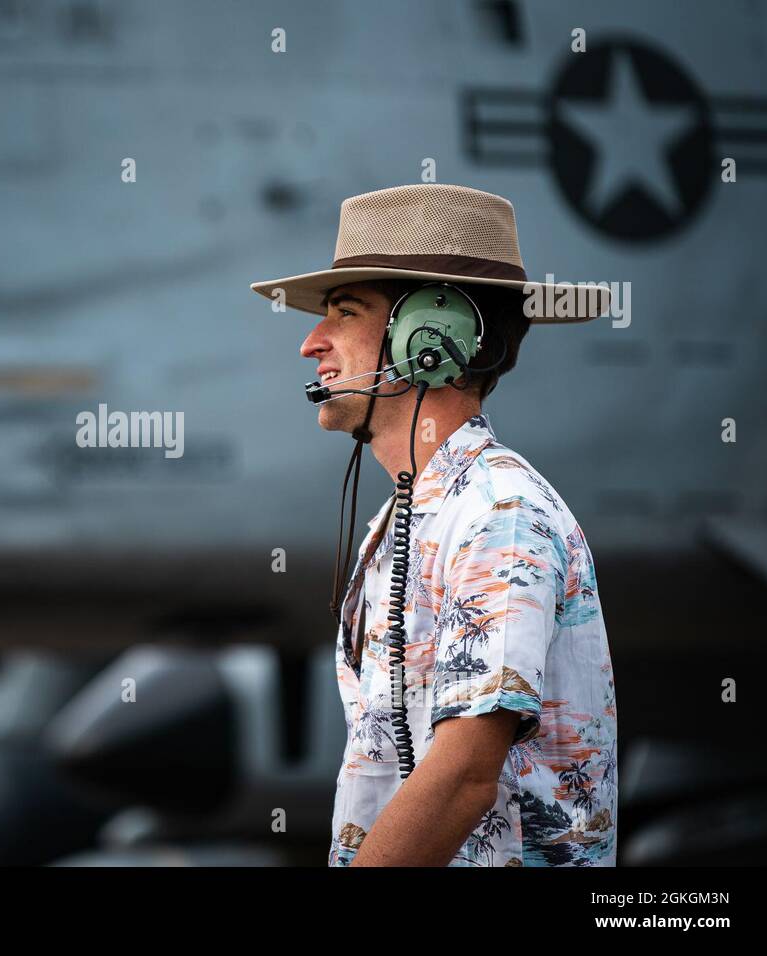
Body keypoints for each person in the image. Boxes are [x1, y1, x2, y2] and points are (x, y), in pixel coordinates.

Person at [250, 184, 618, 866]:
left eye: (344, 312)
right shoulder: (407, 521)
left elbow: (462, 778)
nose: (310, 344)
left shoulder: (500, 514)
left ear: (432, 335)